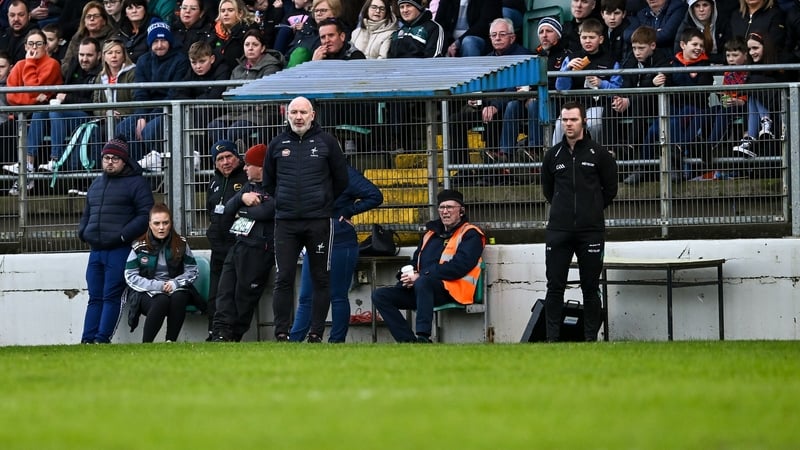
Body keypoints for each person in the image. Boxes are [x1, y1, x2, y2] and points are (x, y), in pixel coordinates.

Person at [263, 96, 349, 343]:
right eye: (294, 112)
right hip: (286, 222)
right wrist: (283, 200)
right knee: (284, 277)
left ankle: (315, 333)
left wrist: (323, 201)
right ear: (287, 115)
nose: (298, 117)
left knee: (321, 277)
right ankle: (281, 333)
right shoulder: (277, 144)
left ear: (313, 115)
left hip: (319, 221)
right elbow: (268, 182)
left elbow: (341, 179)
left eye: (303, 112)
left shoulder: (327, 142)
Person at [541, 102, 617, 342]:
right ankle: (552, 339)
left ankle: (589, 340)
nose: (568, 124)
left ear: (583, 121)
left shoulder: (600, 154)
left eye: (573, 120)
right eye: (564, 120)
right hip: (559, 230)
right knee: (555, 287)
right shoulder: (552, 156)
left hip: (590, 231)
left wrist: (591, 209)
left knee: (590, 287)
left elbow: (610, 190)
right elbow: (548, 191)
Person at [373, 189, 486, 343]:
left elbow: (459, 266)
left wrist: (422, 275)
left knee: (423, 282)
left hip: (452, 290)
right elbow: (415, 261)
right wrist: (405, 275)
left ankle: (423, 337)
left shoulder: (470, 234)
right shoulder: (430, 234)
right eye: (442, 208)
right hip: (422, 289)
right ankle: (407, 341)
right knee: (380, 295)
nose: (445, 212)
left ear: (461, 211)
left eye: (450, 208)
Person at [289, 163, 383, 342]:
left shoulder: (345, 173)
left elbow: (375, 195)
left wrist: (349, 211)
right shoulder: (307, 171)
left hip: (341, 240)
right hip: (314, 238)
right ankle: (294, 340)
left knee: (337, 294)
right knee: (306, 294)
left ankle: (336, 341)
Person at [78, 136, 154, 344]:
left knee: (111, 295)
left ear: (124, 161)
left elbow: (145, 215)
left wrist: (122, 235)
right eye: (106, 158)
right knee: (94, 296)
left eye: (115, 159)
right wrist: (82, 231)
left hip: (120, 249)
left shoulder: (137, 183)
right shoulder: (97, 183)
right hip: (96, 249)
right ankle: (87, 340)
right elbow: (87, 211)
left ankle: (102, 339)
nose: (110, 162)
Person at [448, 18, 532, 177]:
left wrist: (494, 105)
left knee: (494, 116)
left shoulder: (524, 56)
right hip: (488, 106)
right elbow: (482, 87)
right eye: (494, 35)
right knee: (455, 120)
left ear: (512, 37)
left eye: (502, 34)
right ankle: (463, 171)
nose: (497, 38)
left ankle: (494, 171)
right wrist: (475, 98)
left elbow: (517, 88)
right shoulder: (487, 59)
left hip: (512, 107)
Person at [211, 143, 276, 342]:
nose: (245, 168)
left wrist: (242, 208)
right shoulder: (249, 187)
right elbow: (229, 209)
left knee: (244, 295)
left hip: (259, 248)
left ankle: (234, 334)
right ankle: (219, 333)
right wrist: (242, 198)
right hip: (239, 244)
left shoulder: (277, 186)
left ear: (261, 166)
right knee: (224, 291)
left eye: (249, 165)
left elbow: (266, 212)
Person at [114, 20, 190, 164]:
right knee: (123, 129)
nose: (159, 45)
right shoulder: (143, 60)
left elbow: (174, 92)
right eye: (155, 41)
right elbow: (140, 92)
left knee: (149, 131)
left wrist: (147, 117)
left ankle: (157, 167)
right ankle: (135, 166)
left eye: (163, 40)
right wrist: (141, 115)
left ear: (170, 41)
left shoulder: (180, 60)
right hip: (147, 109)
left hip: (168, 109)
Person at [123, 203, 200, 343]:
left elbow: (192, 270)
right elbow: (130, 276)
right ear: (150, 224)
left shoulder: (181, 243)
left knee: (179, 297)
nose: (161, 227)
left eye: (165, 223)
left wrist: (175, 283)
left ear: (171, 223)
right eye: (157, 223)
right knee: (161, 300)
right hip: (147, 292)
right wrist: (157, 286)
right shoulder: (138, 245)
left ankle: (170, 342)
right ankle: (146, 344)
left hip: (175, 288)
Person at [3, 28, 63, 195]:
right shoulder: (20, 65)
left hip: (42, 113)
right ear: (25, 46)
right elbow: (10, 96)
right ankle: (25, 172)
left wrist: (30, 64)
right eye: (30, 44)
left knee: (37, 113)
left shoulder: (52, 64)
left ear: (46, 46)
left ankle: (28, 166)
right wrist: (32, 100)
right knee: (7, 130)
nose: (34, 48)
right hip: (23, 112)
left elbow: (33, 89)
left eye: (38, 44)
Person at [36, 37, 103, 174]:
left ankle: (56, 160)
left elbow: (94, 105)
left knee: (55, 112)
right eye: (81, 55)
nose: (84, 59)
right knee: (40, 111)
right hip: (68, 113)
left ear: (99, 55)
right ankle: (28, 162)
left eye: (89, 55)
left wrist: (67, 98)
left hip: (89, 118)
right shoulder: (74, 65)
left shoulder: (101, 73)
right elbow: (64, 90)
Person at [207, 29, 283, 147]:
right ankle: (226, 157)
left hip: (262, 114)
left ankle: (238, 160)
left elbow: (262, 95)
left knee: (235, 130)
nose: (250, 48)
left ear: (262, 48)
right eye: (247, 45)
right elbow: (228, 93)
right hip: (236, 113)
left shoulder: (271, 67)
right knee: (214, 126)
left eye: (255, 45)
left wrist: (240, 100)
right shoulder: (237, 69)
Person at [202, 140, 246, 339]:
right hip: (217, 247)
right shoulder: (213, 183)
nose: (225, 162)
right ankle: (214, 332)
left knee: (231, 293)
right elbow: (210, 211)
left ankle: (229, 334)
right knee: (214, 294)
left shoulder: (246, 179)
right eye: (220, 159)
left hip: (237, 246)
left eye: (229, 157)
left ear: (237, 157)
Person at [553, 18, 622, 146]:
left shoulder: (611, 61)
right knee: (559, 125)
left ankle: (593, 155)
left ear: (600, 39)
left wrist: (601, 83)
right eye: (584, 37)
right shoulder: (571, 58)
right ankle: (556, 158)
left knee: (592, 124)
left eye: (591, 37)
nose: (587, 41)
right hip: (575, 104)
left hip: (598, 105)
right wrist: (566, 70)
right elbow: (560, 88)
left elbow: (617, 89)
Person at [60, 1, 115, 78]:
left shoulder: (112, 36)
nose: (92, 19)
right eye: (88, 16)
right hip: (76, 78)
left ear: (104, 20)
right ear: (84, 21)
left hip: (100, 79)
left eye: (96, 16)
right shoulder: (77, 37)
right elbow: (66, 64)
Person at [435, 0, 501, 57]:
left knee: (469, 42)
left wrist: (457, 43)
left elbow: (484, 25)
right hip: (450, 41)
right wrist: (448, 43)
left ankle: (473, 71)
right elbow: (439, 24)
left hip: (480, 40)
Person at [285, 0, 340, 67]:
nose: (318, 13)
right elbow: (289, 54)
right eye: (316, 11)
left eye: (323, 10)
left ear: (335, 12)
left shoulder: (340, 32)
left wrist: (313, 63)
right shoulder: (305, 28)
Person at [673, 0, 730, 65]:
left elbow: (729, 53)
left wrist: (706, 57)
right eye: (697, 6)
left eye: (705, 5)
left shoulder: (723, 22)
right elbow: (678, 53)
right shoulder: (686, 26)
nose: (701, 9)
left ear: (712, 7)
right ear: (692, 9)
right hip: (695, 68)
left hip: (722, 68)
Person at [600, 0, 630, 65]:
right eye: (608, 13)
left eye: (616, 13)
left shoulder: (628, 33)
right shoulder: (599, 31)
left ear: (624, 14)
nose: (612, 18)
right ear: (602, 14)